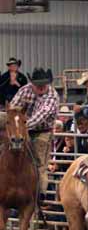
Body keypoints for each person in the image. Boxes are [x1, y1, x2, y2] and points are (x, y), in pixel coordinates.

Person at [10, 68, 60, 203]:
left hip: (42, 132)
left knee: (39, 163)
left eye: (44, 84)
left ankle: (39, 194)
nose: (42, 87)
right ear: (32, 84)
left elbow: (41, 116)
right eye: (38, 84)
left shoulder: (52, 95)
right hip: (22, 129)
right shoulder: (24, 90)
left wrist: (20, 126)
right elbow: (13, 109)